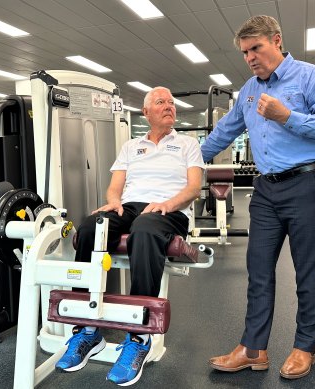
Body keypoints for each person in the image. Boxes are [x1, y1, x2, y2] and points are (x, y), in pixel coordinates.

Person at [201, 15, 315, 380]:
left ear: (277, 41)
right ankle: (254, 349)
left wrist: (289, 117)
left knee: (307, 272)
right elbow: (224, 132)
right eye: (245, 52)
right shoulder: (249, 89)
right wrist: (187, 161)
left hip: (307, 184)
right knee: (259, 271)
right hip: (266, 189)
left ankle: (304, 347)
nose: (250, 57)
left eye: (257, 48)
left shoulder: (311, 77)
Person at [55, 86, 204, 386]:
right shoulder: (130, 147)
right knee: (89, 227)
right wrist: (112, 201)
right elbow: (115, 186)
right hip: (131, 206)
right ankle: (86, 330)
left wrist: (167, 204)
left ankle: (138, 337)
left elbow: (193, 189)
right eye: (161, 102)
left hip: (168, 210)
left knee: (145, 230)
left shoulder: (188, 144)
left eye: (172, 103)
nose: (169, 107)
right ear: (146, 112)